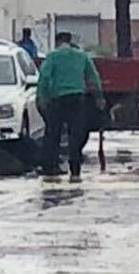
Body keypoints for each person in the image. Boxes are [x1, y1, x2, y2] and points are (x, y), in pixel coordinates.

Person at [36, 32, 104, 181]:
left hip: (57, 100)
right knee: (76, 135)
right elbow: (94, 77)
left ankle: (51, 167)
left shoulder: (52, 57)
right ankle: (75, 170)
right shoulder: (82, 56)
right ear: (69, 41)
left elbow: (44, 77)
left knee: (53, 133)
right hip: (77, 99)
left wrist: (42, 97)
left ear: (58, 42)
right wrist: (99, 97)